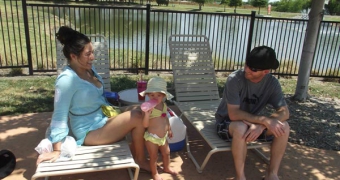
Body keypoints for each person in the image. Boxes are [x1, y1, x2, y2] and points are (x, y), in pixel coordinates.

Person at [36, 26, 150, 172]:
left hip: (103, 116)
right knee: (136, 116)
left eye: (92, 52)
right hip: (89, 131)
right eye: (88, 54)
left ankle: (137, 150)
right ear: (73, 56)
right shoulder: (66, 80)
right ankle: (140, 159)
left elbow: (95, 95)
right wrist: (57, 150)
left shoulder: (89, 69)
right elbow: (59, 116)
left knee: (141, 109)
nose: (92, 57)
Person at [215, 46, 290, 180]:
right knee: (240, 127)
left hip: (254, 125)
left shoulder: (272, 83)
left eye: (253, 69)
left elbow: (284, 112)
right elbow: (234, 114)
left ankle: (271, 174)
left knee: (284, 127)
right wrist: (263, 120)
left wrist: (262, 125)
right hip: (227, 123)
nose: (247, 70)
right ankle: (240, 177)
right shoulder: (235, 79)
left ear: (266, 71)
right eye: (247, 65)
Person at [139, 77, 178, 180]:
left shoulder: (164, 105)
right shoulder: (147, 108)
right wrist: (147, 114)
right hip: (152, 138)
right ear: (147, 95)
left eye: (159, 95)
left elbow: (165, 119)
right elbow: (145, 125)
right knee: (154, 157)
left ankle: (167, 168)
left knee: (167, 153)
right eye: (152, 95)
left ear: (164, 96)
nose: (155, 97)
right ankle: (154, 173)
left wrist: (169, 129)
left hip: (163, 137)